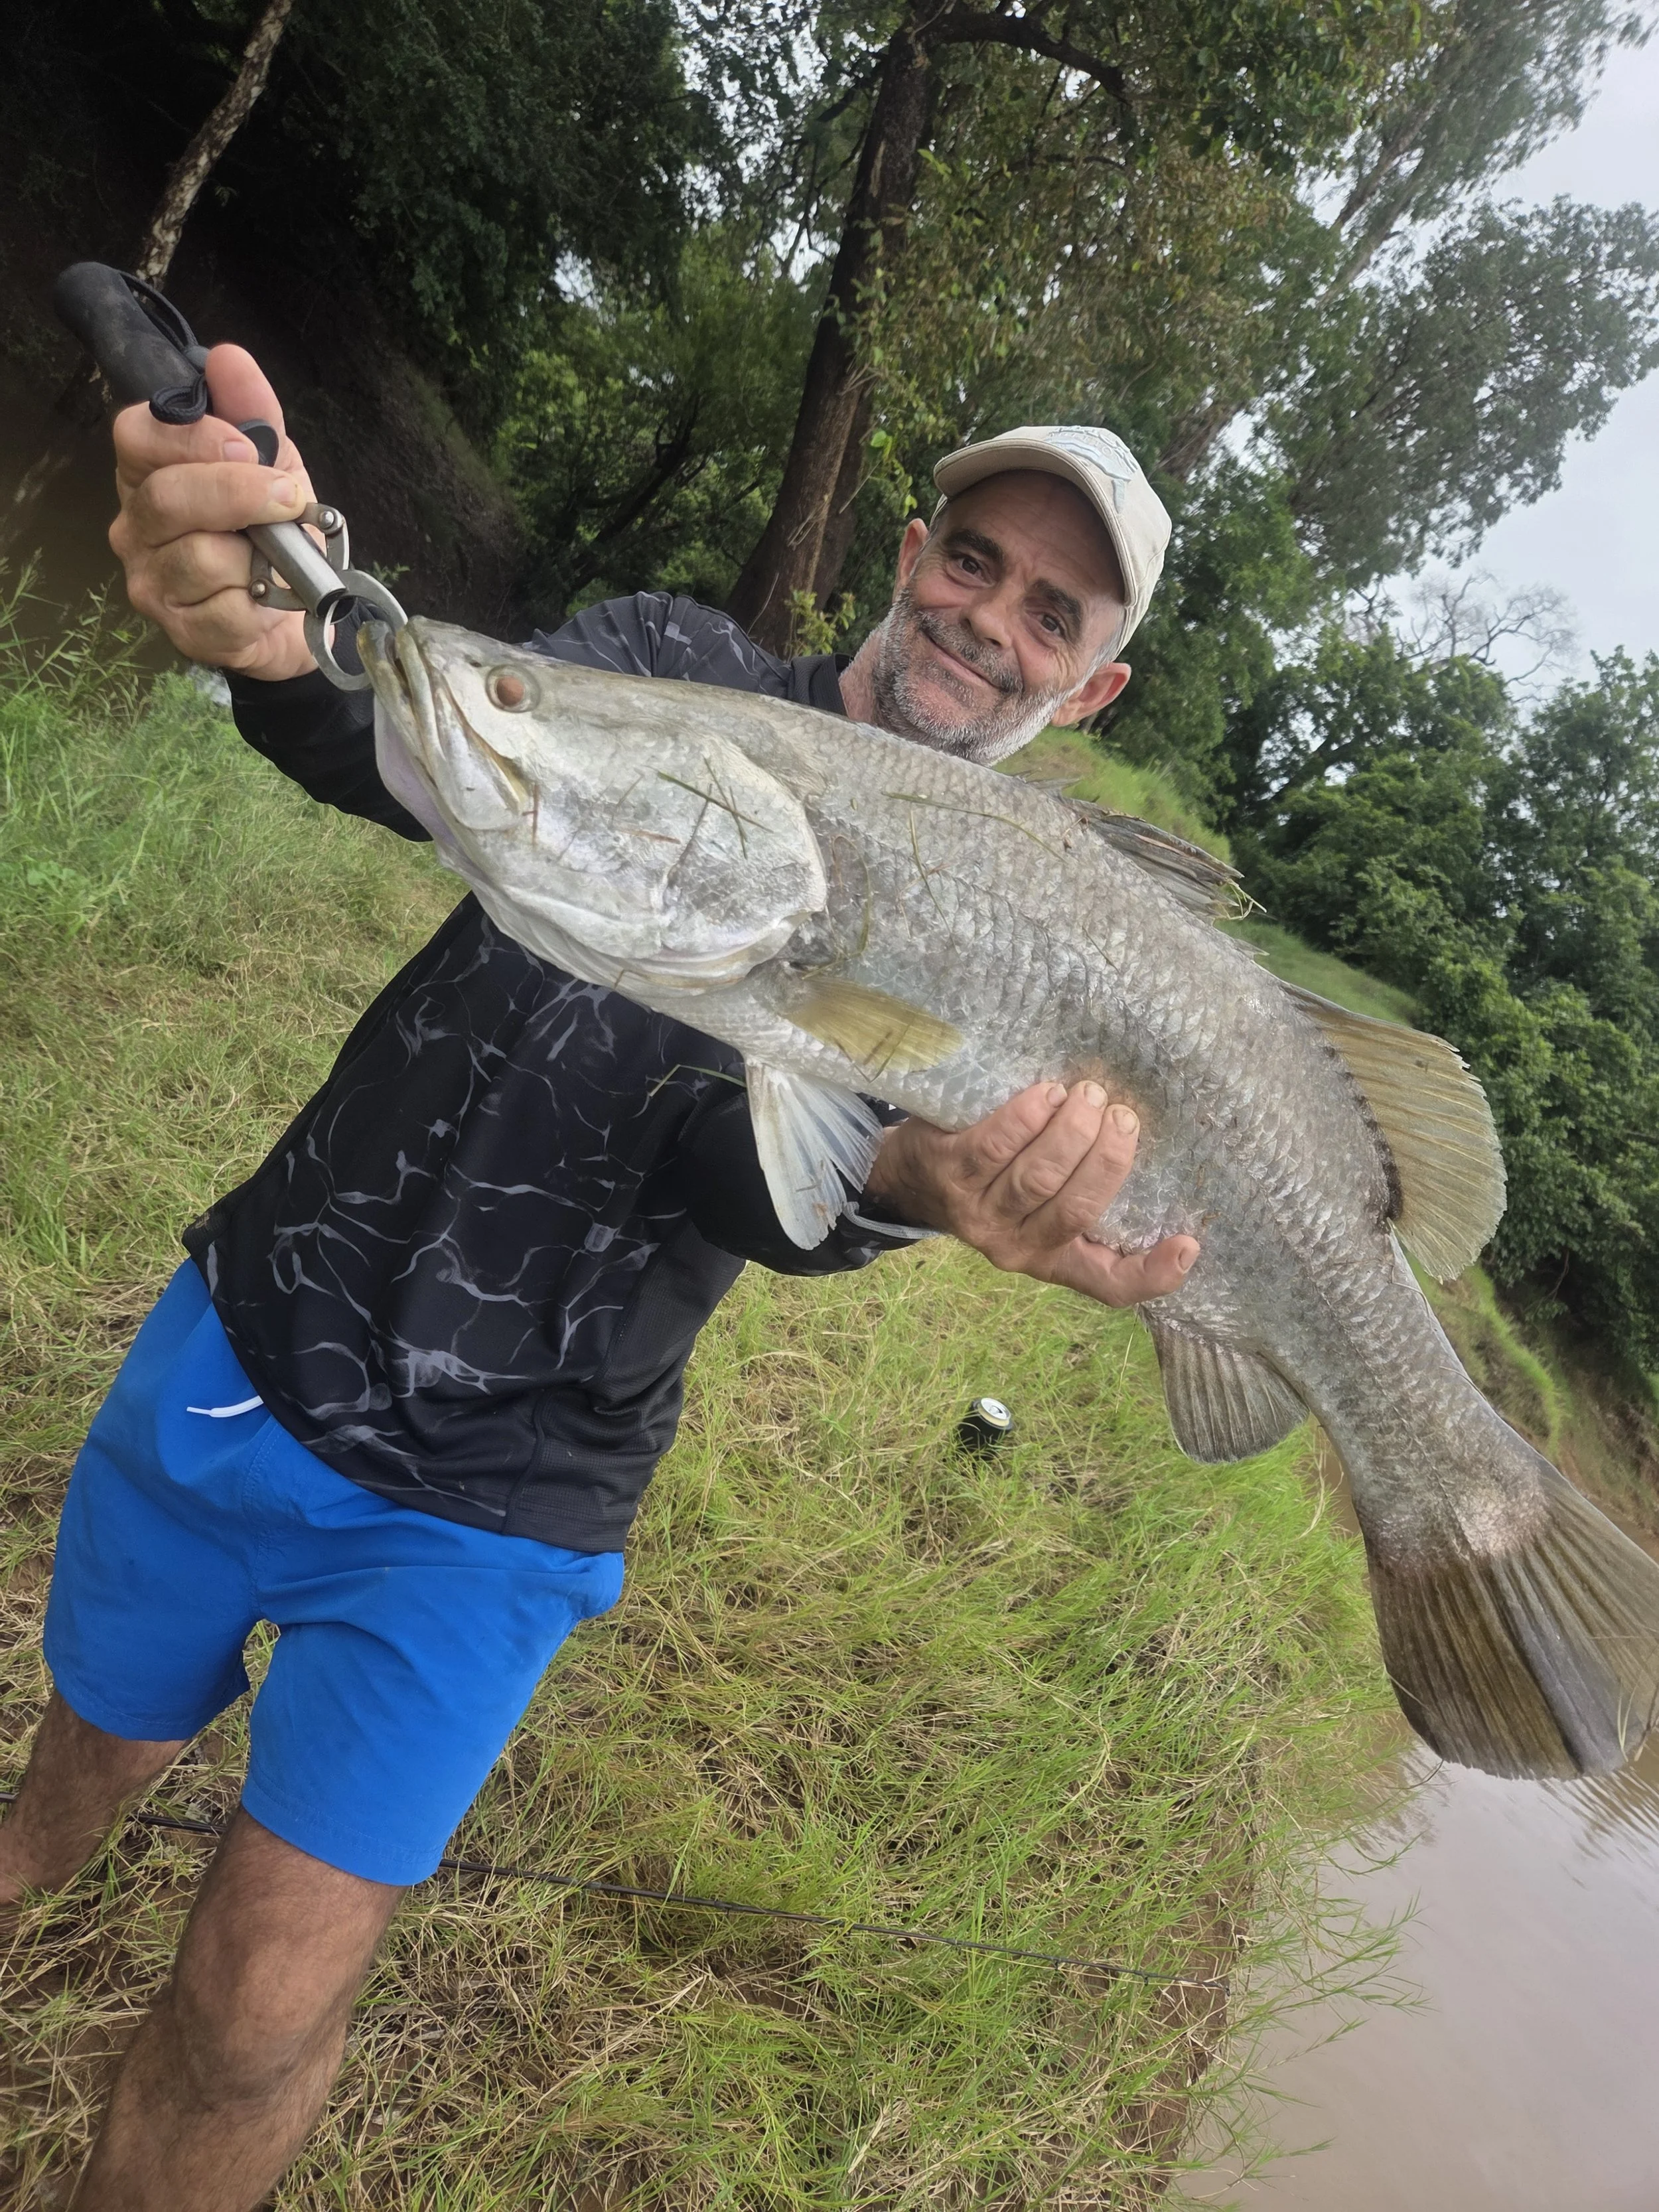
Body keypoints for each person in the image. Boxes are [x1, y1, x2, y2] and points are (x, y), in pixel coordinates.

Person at [0, 347, 1196, 2211]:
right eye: (974, 558)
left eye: (1055, 612)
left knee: (250, 2016)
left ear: (1091, 683)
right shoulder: (669, 664)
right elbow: (404, 746)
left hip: (500, 1501)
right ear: (911, 552)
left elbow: (755, 1180)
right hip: (257, 1330)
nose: (990, 618)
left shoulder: (999, 940)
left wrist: (921, 1184)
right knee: (74, 1763)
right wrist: (273, 640)